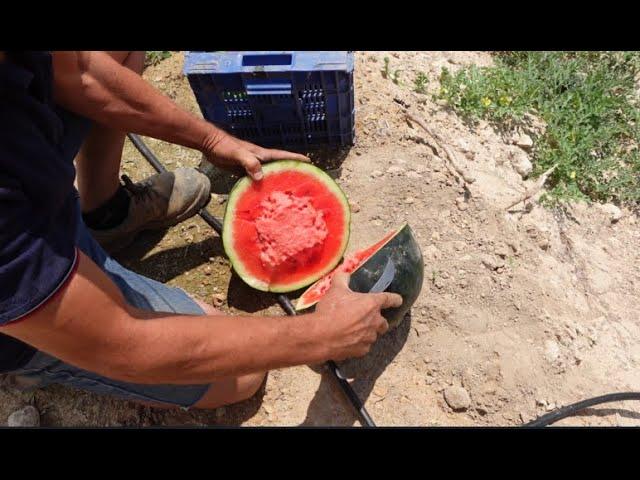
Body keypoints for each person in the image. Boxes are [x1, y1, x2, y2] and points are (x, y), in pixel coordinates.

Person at [0, 51, 401, 410]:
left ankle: (106, 213)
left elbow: (80, 69)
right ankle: (35, 354)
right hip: (25, 291)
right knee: (241, 378)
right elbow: (122, 343)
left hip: (31, 189)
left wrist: (211, 138)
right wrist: (321, 334)